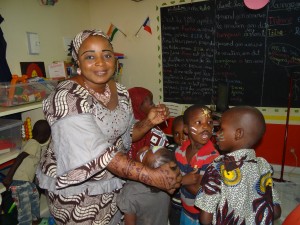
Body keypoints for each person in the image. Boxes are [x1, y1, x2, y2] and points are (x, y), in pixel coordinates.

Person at [35, 29, 181, 225]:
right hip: (77, 194)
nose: (100, 62)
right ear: (77, 62)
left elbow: (125, 136)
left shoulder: (120, 91)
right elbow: (97, 152)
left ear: (115, 60)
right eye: (89, 56)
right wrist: (152, 176)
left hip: (112, 184)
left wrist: (148, 122)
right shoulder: (66, 97)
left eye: (107, 55)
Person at [195, 106, 281, 225]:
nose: (217, 133)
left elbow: (205, 219)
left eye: (221, 129)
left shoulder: (218, 167)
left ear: (238, 134)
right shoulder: (263, 165)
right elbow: (276, 211)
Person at [175, 105, 219, 225]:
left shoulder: (212, 157)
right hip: (185, 210)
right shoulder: (179, 151)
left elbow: (202, 192)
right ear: (186, 129)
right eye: (198, 122)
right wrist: (183, 180)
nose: (206, 127)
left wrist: (180, 181)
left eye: (210, 122)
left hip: (202, 217)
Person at [2, 120, 51, 225]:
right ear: (46, 136)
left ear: (33, 131)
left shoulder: (33, 143)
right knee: (24, 211)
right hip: (19, 181)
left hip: (26, 182)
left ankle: (35, 221)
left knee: (34, 198)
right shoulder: (34, 144)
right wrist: (8, 177)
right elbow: (20, 158)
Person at [117, 146, 174, 225]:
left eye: (143, 154)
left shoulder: (130, 191)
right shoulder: (169, 185)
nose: (144, 147)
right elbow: (167, 210)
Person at [127, 87, 169, 160]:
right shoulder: (153, 131)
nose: (154, 105)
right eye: (151, 103)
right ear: (138, 106)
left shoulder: (122, 124)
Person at [168, 115, 188, 225]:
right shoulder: (170, 151)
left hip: (192, 205)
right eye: (176, 134)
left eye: (185, 134)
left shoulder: (196, 153)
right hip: (175, 203)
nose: (181, 138)